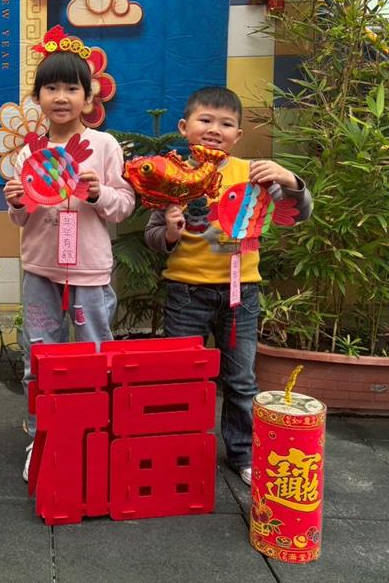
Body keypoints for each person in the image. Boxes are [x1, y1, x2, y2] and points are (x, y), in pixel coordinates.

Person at [144, 86, 313, 485]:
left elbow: (298, 212)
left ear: (238, 135)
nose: (214, 129)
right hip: (185, 292)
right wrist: (170, 232)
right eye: (205, 120)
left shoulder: (253, 173)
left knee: (241, 380)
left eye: (225, 124)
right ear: (184, 127)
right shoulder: (173, 176)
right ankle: (178, 448)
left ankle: (242, 453)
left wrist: (290, 179)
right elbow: (153, 238)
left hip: (242, 294)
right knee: (179, 376)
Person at [3, 27, 136, 482]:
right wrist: (17, 202)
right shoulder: (29, 152)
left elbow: (124, 206)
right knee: (39, 357)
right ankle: (41, 435)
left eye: (72, 88)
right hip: (41, 269)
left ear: (88, 97)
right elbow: (21, 219)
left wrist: (99, 194)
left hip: (89, 272)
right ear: (37, 97)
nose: (61, 97)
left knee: (95, 353)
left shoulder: (104, 146)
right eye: (51, 88)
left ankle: (96, 433)